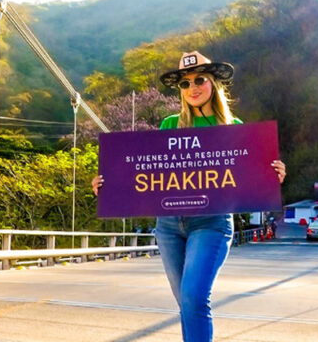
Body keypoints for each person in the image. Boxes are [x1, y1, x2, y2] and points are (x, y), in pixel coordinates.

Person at [93, 50, 286, 342]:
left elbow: (251, 174)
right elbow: (149, 171)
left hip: (211, 222)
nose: (193, 88)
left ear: (214, 83)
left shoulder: (233, 129)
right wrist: (108, 183)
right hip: (169, 225)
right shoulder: (170, 125)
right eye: (185, 84)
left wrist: (274, 173)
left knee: (194, 297)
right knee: (186, 302)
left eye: (200, 80)